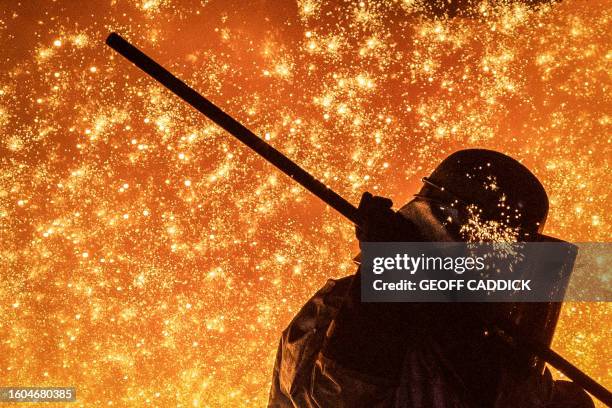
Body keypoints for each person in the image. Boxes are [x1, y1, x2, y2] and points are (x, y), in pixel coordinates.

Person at [268, 149, 594, 408]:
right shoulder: (336, 311)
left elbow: (506, 390)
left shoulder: (489, 348)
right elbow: (337, 397)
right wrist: (388, 280)